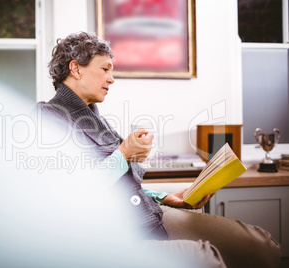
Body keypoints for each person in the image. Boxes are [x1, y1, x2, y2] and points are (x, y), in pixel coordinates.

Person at [36, 32, 281, 268]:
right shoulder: (47, 117)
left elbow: (121, 183)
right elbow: (75, 191)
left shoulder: (94, 117)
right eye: (105, 69)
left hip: (149, 211)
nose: (111, 78)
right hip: (117, 227)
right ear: (76, 69)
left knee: (259, 246)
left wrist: (164, 197)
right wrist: (124, 154)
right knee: (222, 255)